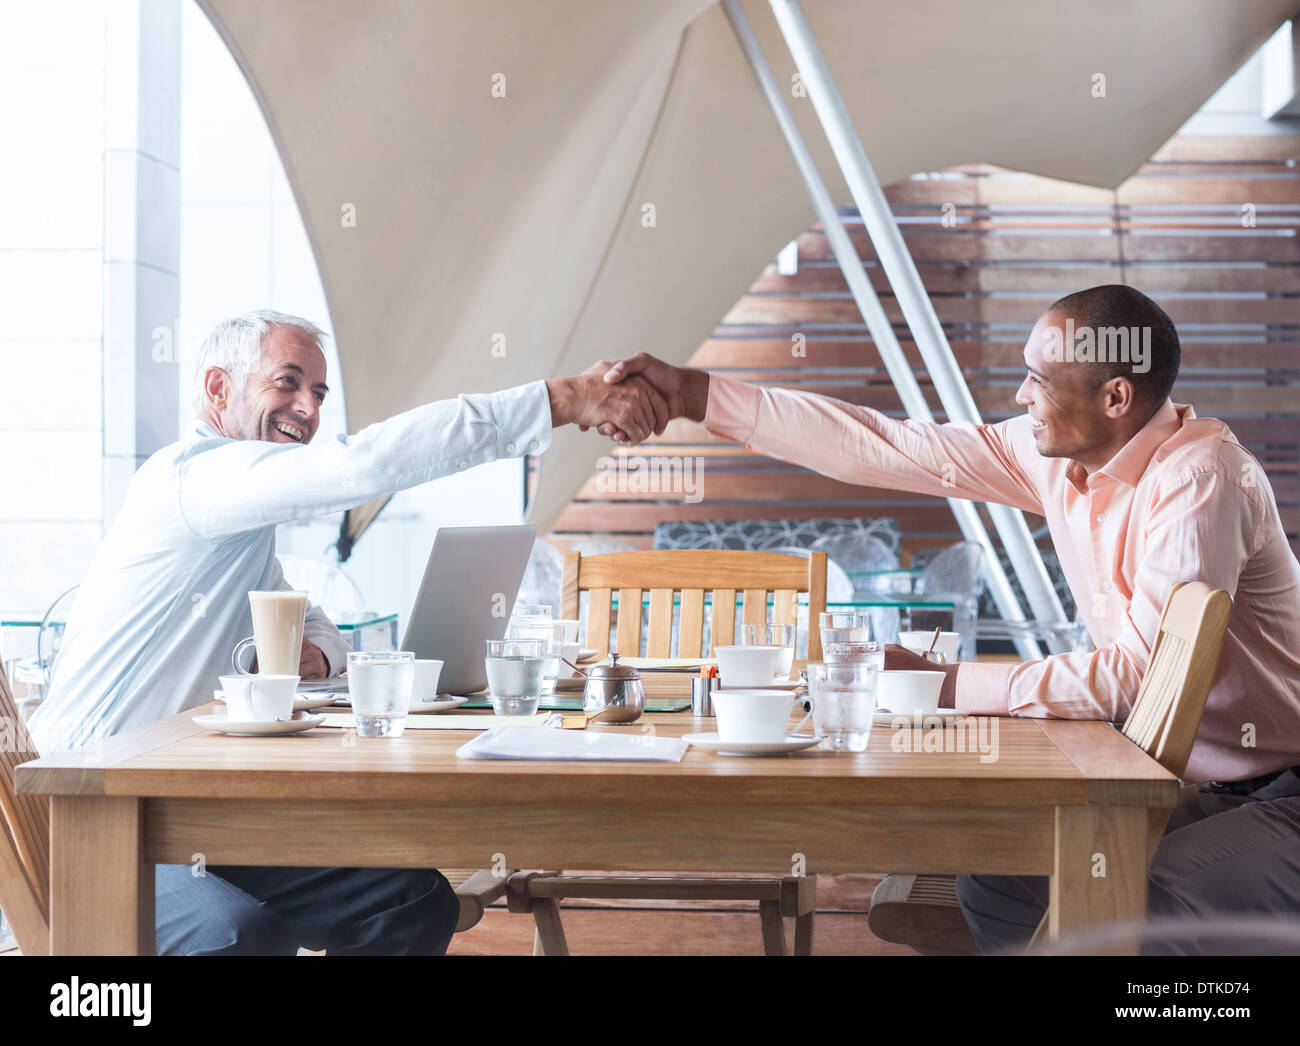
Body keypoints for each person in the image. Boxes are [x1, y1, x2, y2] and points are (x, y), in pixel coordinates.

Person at [602, 284, 1300, 951]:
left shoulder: (1201, 480)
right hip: (1191, 786)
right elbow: (884, 445)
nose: (1021, 395)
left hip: (1281, 793)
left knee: (1140, 908)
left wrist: (942, 684)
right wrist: (696, 396)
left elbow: (1139, 679)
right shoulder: (1059, 455)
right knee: (1000, 884)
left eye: (1038, 378)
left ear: (1116, 396)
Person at [29, 308, 669, 955]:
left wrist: (309, 651)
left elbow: (313, 623)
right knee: (236, 935)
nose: (307, 407)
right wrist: (564, 400)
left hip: (183, 813)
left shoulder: (238, 523)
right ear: (219, 390)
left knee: (412, 902)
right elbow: (363, 464)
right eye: (287, 383)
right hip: (86, 823)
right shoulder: (195, 480)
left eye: (319, 393)